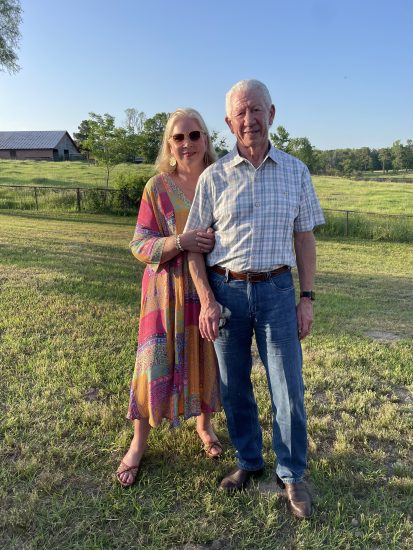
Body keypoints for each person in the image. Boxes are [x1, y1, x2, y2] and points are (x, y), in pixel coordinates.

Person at [185, 80, 324, 519]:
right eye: (241, 113)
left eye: (257, 110)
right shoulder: (213, 177)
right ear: (229, 123)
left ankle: (291, 472)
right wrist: (207, 299)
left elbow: (304, 237)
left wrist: (306, 296)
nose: (250, 120)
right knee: (234, 387)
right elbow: (194, 247)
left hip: (278, 291)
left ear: (272, 113)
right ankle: (248, 460)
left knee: (288, 386)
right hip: (226, 292)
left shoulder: (296, 171)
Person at [116, 108, 222, 488]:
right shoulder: (157, 187)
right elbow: (139, 244)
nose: (187, 143)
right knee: (152, 362)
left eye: (195, 135)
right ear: (169, 144)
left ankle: (204, 427)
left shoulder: (220, 180)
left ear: (206, 140)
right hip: (163, 293)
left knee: (205, 357)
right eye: (178, 137)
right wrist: (181, 241)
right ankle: (138, 443)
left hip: (209, 289)